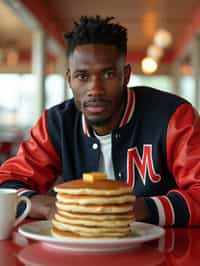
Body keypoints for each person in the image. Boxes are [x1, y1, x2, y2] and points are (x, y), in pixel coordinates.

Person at [0, 15, 200, 226]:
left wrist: (140, 209)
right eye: (83, 76)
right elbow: (6, 185)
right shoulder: (56, 123)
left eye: (108, 74)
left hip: (164, 253)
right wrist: (48, 206)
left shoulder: (173, 117)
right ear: (69, 79)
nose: (95, 89)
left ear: (126, 75)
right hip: (79, 253)